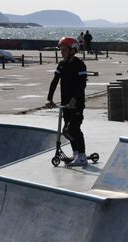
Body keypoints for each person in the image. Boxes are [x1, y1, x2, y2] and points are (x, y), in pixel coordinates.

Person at [45, 36, 88, 166]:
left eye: (64, 50)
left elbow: (82, 85)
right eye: (61, 50)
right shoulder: (62, 64)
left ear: (73, 50)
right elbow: (54, 81)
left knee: (74, 128)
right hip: (65, 104)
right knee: (66, 130)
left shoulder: (80, 65)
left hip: (77, 104)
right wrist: (49, 98)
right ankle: (76, 154)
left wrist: (74, 99)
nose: (61, 52)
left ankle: (82, 156)